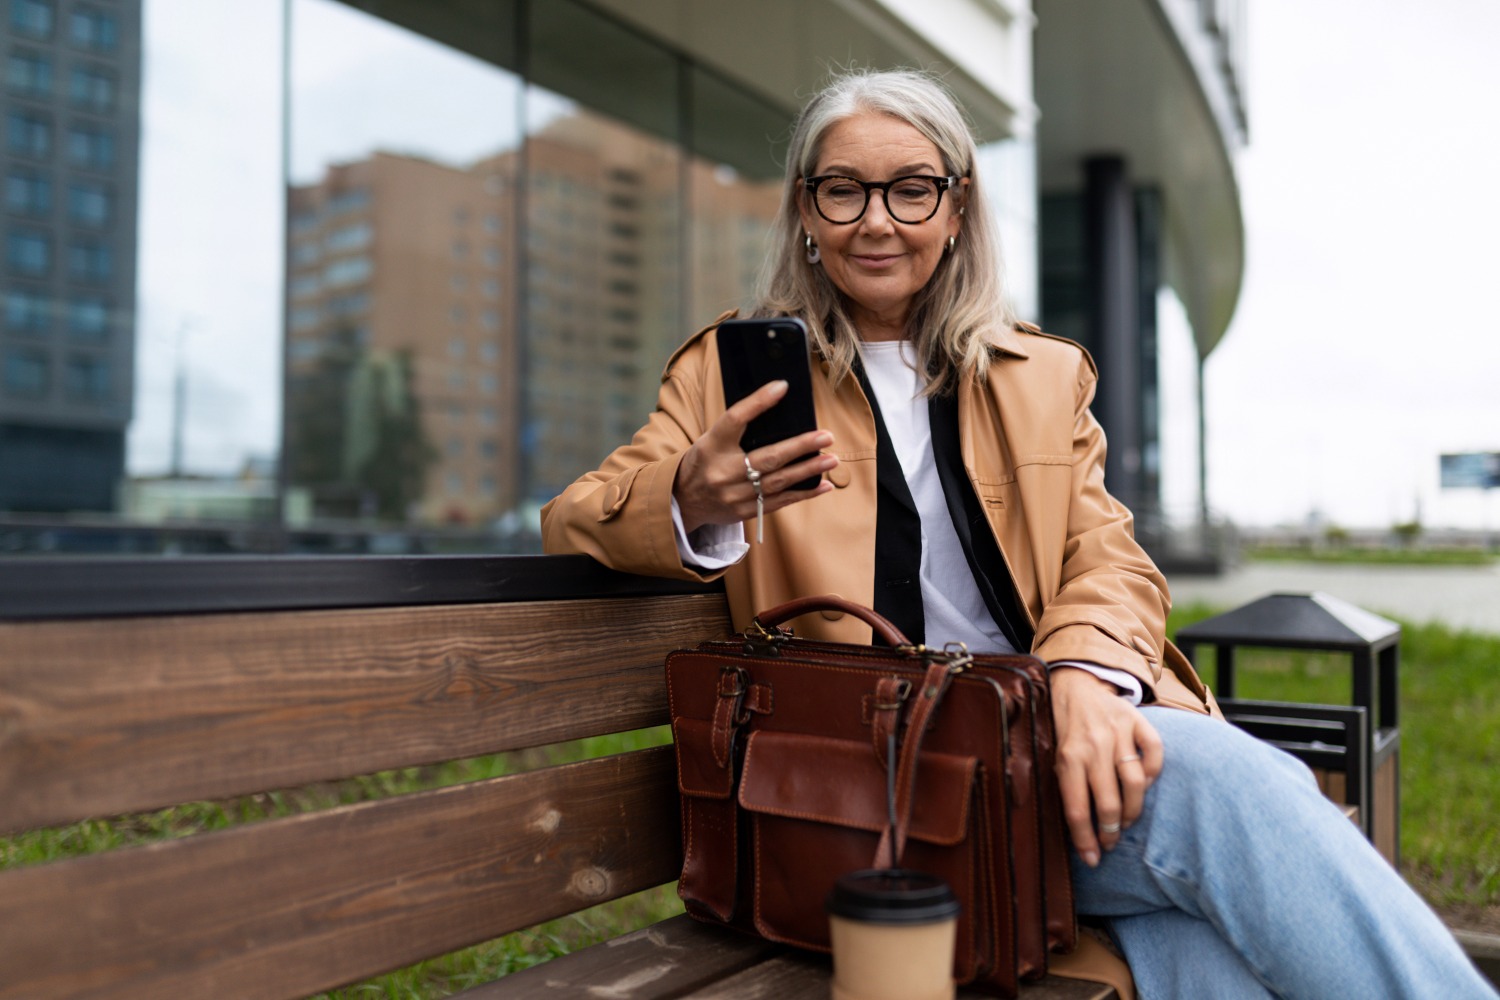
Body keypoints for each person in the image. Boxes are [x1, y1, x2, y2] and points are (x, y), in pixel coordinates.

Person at [541, 69, 1494, 1000]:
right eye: (844, 190)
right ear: (806, 209)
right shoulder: (729, 373)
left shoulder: (1039, 374)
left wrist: (1082, 674)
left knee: (1209, 949)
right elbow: (575, 519)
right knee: (1238, 795)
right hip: (858, 791)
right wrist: (692, 495)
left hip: (1042, 749)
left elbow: (1110, 557)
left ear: (957, 209)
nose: (877, 219)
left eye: (912, 190)